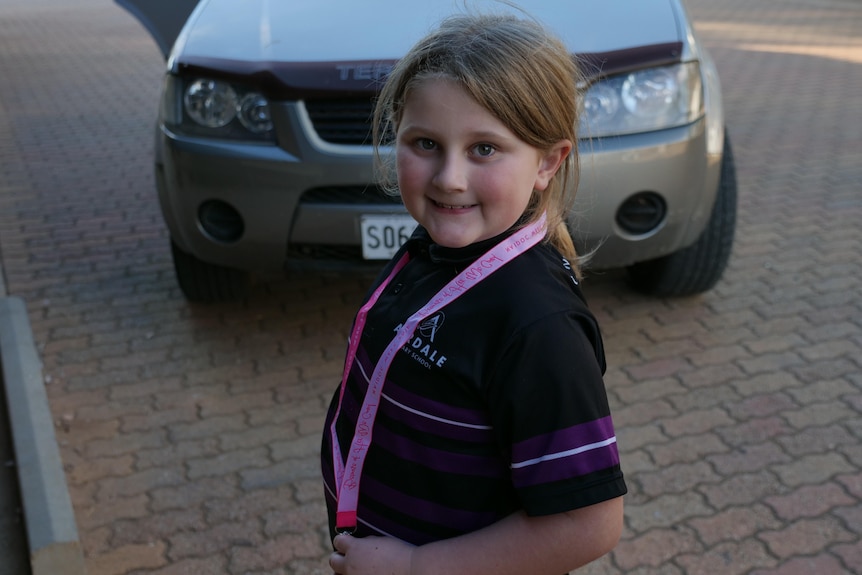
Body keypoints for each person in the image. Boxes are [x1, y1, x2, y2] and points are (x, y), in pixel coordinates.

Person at [321, 10, 626, 575]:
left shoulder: (537, 324)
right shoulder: (434, 246)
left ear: (547, 163)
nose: (449, 178)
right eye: (426, 143)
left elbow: (589, 523)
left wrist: (417, 568)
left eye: (484, 148)